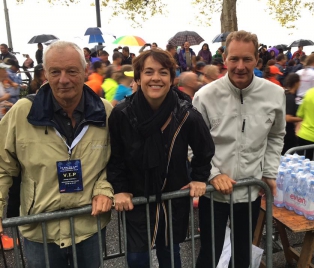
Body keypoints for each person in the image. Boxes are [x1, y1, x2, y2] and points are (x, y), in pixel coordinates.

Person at [0, 41, 114, 268]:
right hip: (41, 230)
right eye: (55, 71)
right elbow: (2, 165)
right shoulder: (22, 112)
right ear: (45, 74)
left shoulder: (105, 111)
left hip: (88, 227)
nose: (64, 79)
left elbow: (116, 161)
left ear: (85, 72)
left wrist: (104, 188)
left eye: (71, 71)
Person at [107, 49, 215, 268]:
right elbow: (115, 156)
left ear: (171, 79)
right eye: (148, 72)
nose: (156, 78)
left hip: (172, 197)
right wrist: (119, 188)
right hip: (136, 198)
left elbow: (205, 149)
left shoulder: (185, 112)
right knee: (137, 258)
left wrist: (199, 177)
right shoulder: (122, 114)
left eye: (163, 72)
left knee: (170, 254)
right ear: (138, 78)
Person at [193, 30, 285, 268]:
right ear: (224, 59)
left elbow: (276, 135)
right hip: (213, 193)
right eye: (234, 59)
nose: (240, 66)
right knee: (209, 255)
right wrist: (213, 175)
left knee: (243, 254)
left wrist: (270, 172)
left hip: (250, 189)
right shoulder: (204, 96)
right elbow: (192, 146)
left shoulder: (275, 94)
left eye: (247, 59)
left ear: (257, 60)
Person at [282, 73, 302, 155]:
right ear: (296, 83)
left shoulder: (284, 93)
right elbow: (288, 118)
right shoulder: (290, 98)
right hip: (287, 133)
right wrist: (302, 118)